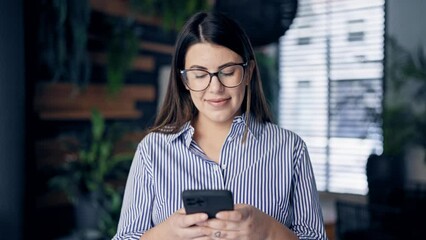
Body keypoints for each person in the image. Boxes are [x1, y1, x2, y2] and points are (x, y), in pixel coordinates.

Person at [113, 11, 327, 240]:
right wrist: (164, 234)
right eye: (199, 74)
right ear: (184, 80)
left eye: (227, 72)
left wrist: (268, 231)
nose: (215, 88)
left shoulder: (290, 148)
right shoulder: (152, 150)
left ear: (248, 73)